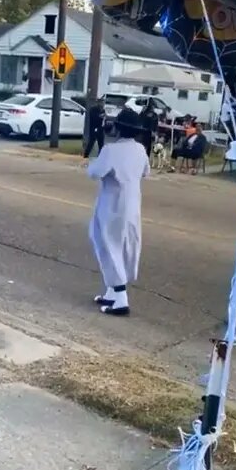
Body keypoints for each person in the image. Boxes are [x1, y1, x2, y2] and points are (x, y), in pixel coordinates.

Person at [86, 109, 150, 317]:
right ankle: (112, 291)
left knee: (107, 245)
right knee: (123, 246)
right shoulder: (140, 149)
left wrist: (102, 149)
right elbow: (145, 173)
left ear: (118, 128)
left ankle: (121, 298)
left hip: (111, 206)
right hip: (132, 206)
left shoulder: (110, 150)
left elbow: (94, 173)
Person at [81, 96, 107, 161]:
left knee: (101, 144)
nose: (102, 104)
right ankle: (86, 155)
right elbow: (93, 118)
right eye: (101, 102)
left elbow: (103, 120)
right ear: (98, 103)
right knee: (91, 143)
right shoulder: (93, 109)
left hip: (101, 129)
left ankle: (101, 157)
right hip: (94, 128)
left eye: (103, 103)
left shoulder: (103, 110)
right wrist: (100, 116)